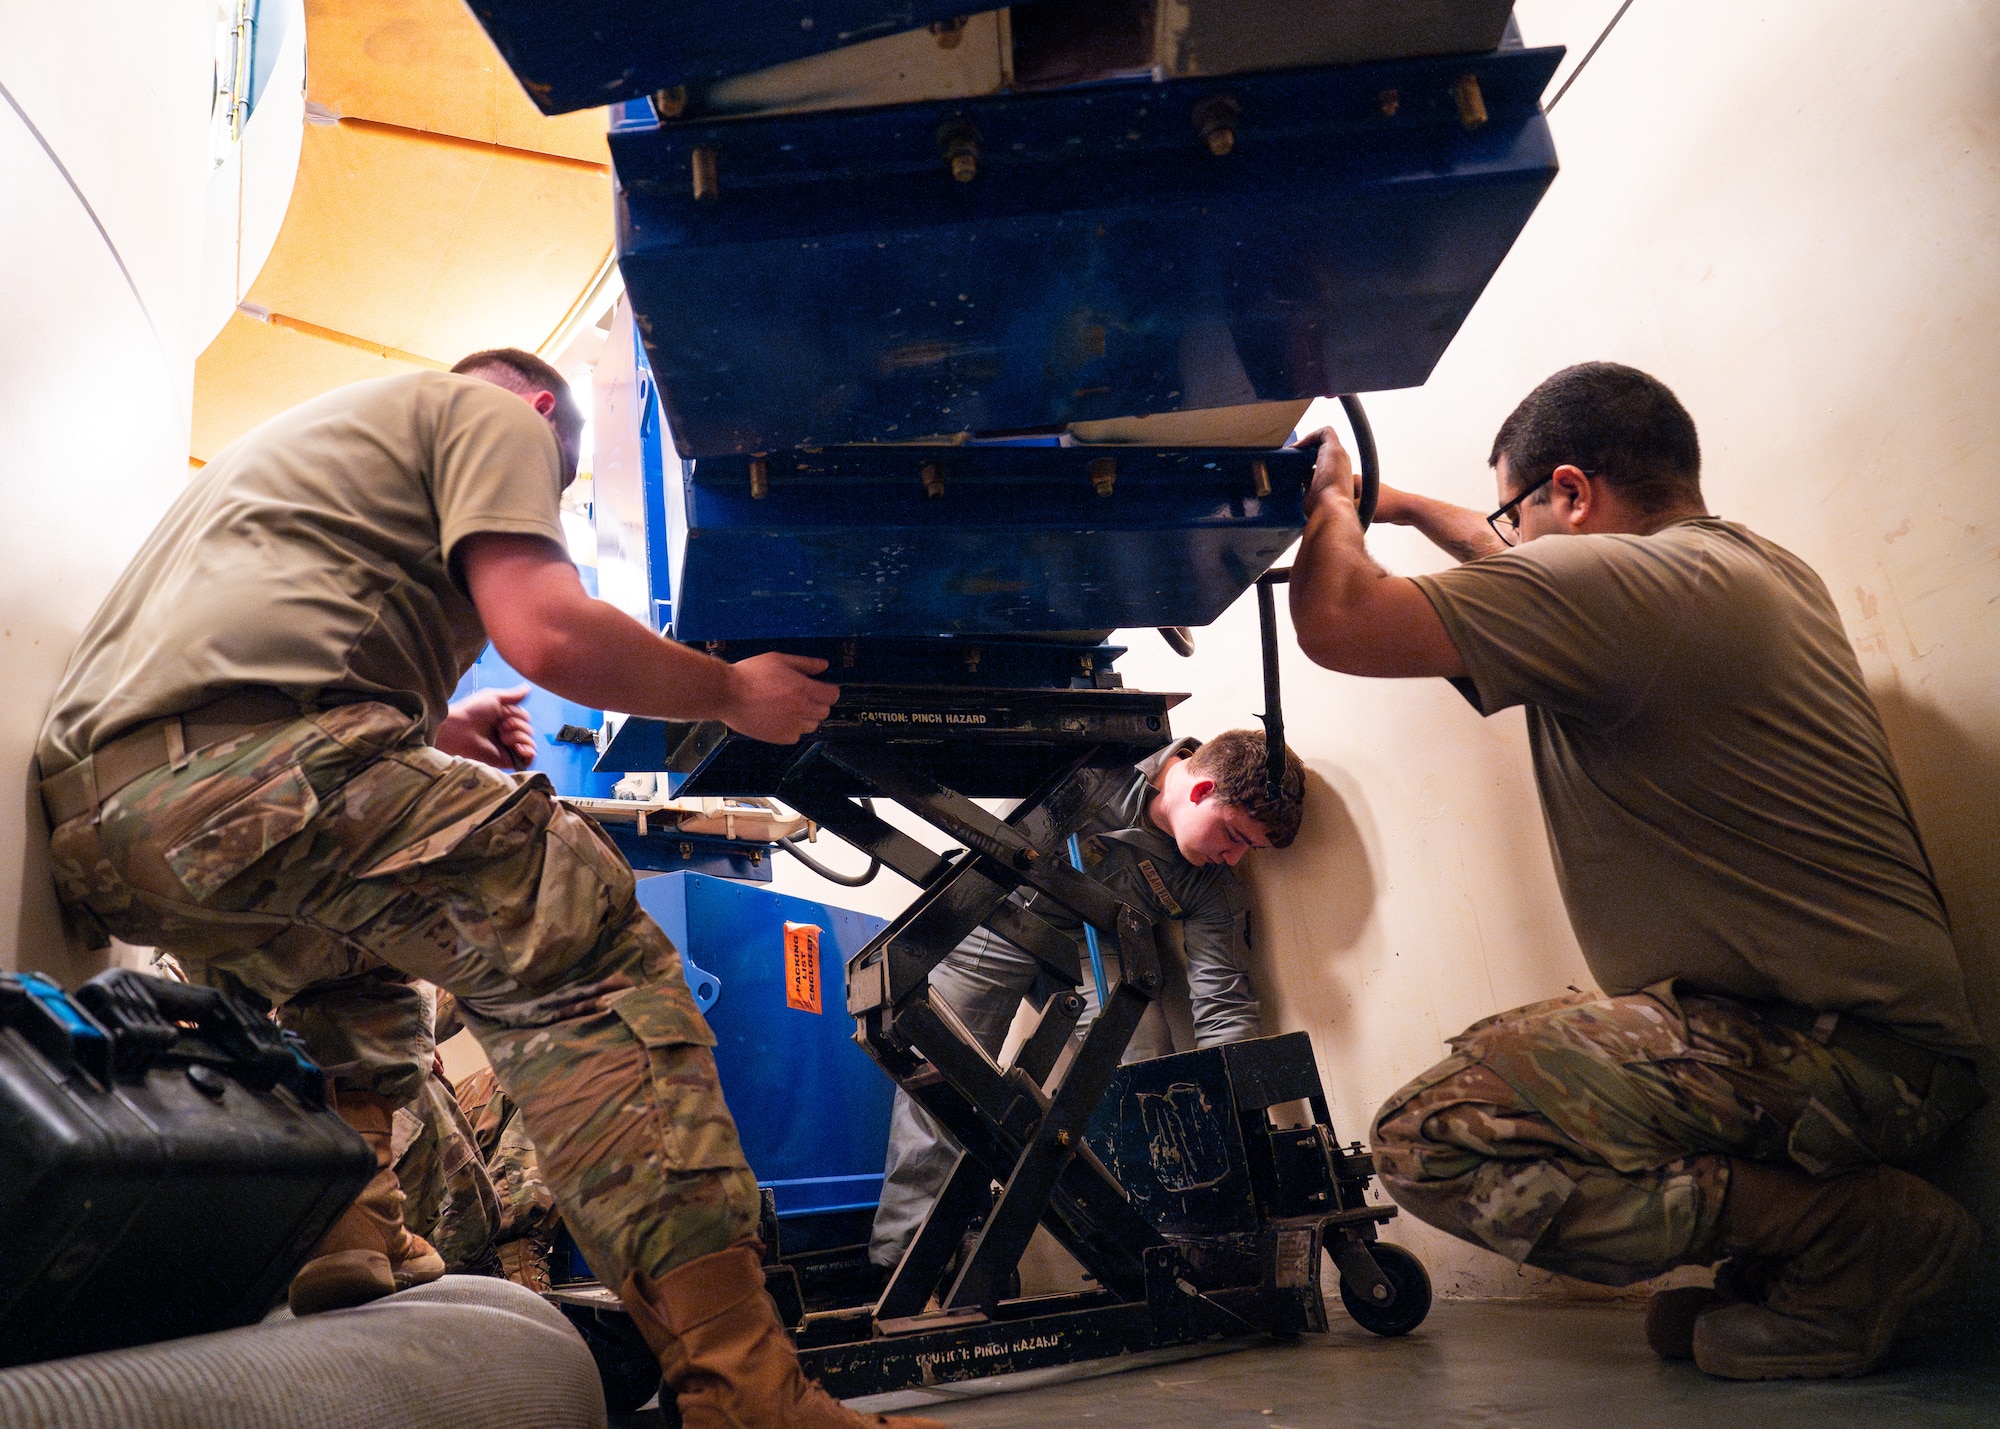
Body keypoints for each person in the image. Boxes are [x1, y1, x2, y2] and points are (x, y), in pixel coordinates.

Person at [35, 351, 940, 1429]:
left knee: (355, 971)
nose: (545, 494)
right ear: (544, 410)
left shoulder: (286, 459)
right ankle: (748, 1391)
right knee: (595, 959)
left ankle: (348, 1234)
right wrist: (732, 690)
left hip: (115, 835)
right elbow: (547, 632)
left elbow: (231, 668)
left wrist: (435, 730)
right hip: (254, 780)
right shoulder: (486, 411)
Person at [1284, 362, 1984, 1380]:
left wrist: (1330, 507)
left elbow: (1338, 620)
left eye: (1517, 513)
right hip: (1858, 1053)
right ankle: (1808, 1256)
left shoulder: (1625, 588)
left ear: (1571, 492)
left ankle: (1855, 1235)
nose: (1505, 541)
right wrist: (1391, 502)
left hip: (1843, 1061)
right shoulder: (1733, 568)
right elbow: (1503, 554)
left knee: (1426, 1137)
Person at [869, 728, 1306, 1272]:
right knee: (945, 1072)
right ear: (1200, 791)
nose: (1235, 858)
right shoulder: (1099, 759)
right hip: (1002, 911)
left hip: (1092, 945)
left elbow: (1223, 1006)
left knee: (1144, 1081)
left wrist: (1241, 1122)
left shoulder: (1211, 885)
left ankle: (1153, 1255)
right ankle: (910, 1261)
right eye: (1236, 836)